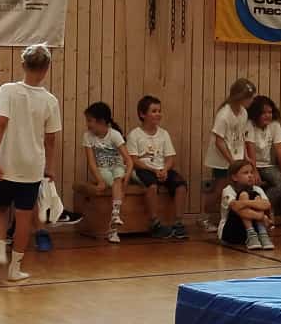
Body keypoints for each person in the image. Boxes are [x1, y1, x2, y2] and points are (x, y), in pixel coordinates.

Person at [0, 43, 61, 283]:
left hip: (7, 162)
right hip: (32, 167)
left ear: (23, 64)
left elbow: (0, 123)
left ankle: (0, 252)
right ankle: (15, 268)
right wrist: (50, 167)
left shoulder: (7, 90)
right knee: (24, 216)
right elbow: (51, 139)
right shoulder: (50, 100)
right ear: (47, 69)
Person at [127, 95, 188, 240]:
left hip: (161, 168)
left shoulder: (164, 134)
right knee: (152, 186)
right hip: (144, 169)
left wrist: (165, 169)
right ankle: (155, 223)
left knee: (181, 185)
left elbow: (170, 158)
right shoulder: (135, 134)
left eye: (159, 111)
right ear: (142, 114)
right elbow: (134, 160)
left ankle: (178, 223)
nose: (158, 114)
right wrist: (153, 170)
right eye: (154, 111)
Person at [203, 78, 259, 226]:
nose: (252, 101)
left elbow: (241, 136)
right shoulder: (224, 115)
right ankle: (203, 216)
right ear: (240, 97)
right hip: (222, 160)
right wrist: (231, 162)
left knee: (235, 189)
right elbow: (219, 141)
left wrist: (245, 156)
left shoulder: (243, 113)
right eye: (250, 97)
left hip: (236, 158)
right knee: (220, 189)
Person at [81, 101, 134, 243]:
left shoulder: (114, 135)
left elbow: (128, 160)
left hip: (118, 167)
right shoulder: (88, 136)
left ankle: (115, 216)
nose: (87, 124)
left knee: (118, 178)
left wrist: (127, 176)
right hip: (103, 169)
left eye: (90, 121)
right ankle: (114, 225)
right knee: (115, 182)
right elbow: (92, 162)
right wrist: (99, 180)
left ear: (102, 121)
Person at [217, 159, 275, 250]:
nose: (250, 175)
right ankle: (252, 234)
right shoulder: (228, 190)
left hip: (253, 231)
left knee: (256, 196)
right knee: (244, 195)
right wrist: (262, 217)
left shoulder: (257, 189)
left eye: (251, 172)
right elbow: (236, 207)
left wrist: (245, 203)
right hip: (231, 232)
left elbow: (267, 205)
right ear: (234, 177)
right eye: (245, 173)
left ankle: (261, 234)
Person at [246, 96, 281, 193]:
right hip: (250, 165)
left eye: (270, 112)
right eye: (263, 113)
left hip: (267, 166)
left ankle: (263, 201)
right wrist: (254, 171)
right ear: (256, 114)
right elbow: (250, 148)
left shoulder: (274, 125)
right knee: (252, 185)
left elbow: (280, 147)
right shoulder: (249, 124)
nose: (268, 115)